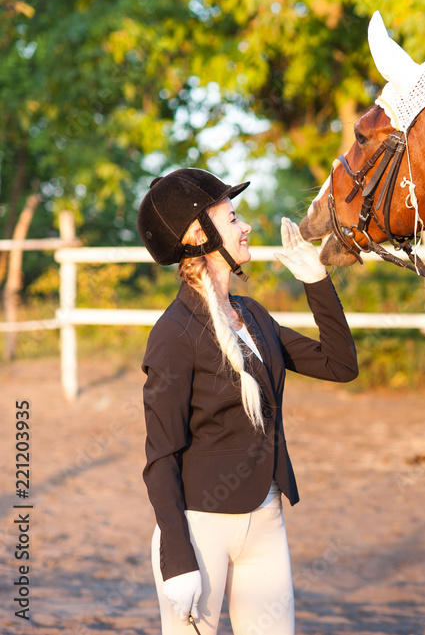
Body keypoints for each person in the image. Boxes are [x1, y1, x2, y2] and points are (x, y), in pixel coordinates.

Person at [137, 168, 358, 635]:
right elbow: (160, 457)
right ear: (200, 235)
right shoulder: (173, 334)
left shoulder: (253, 315)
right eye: (232, 217)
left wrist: (316, 280)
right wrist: (177, 558)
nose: (245, 227)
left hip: (267, 519)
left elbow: (340, 365)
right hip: (199, 532)